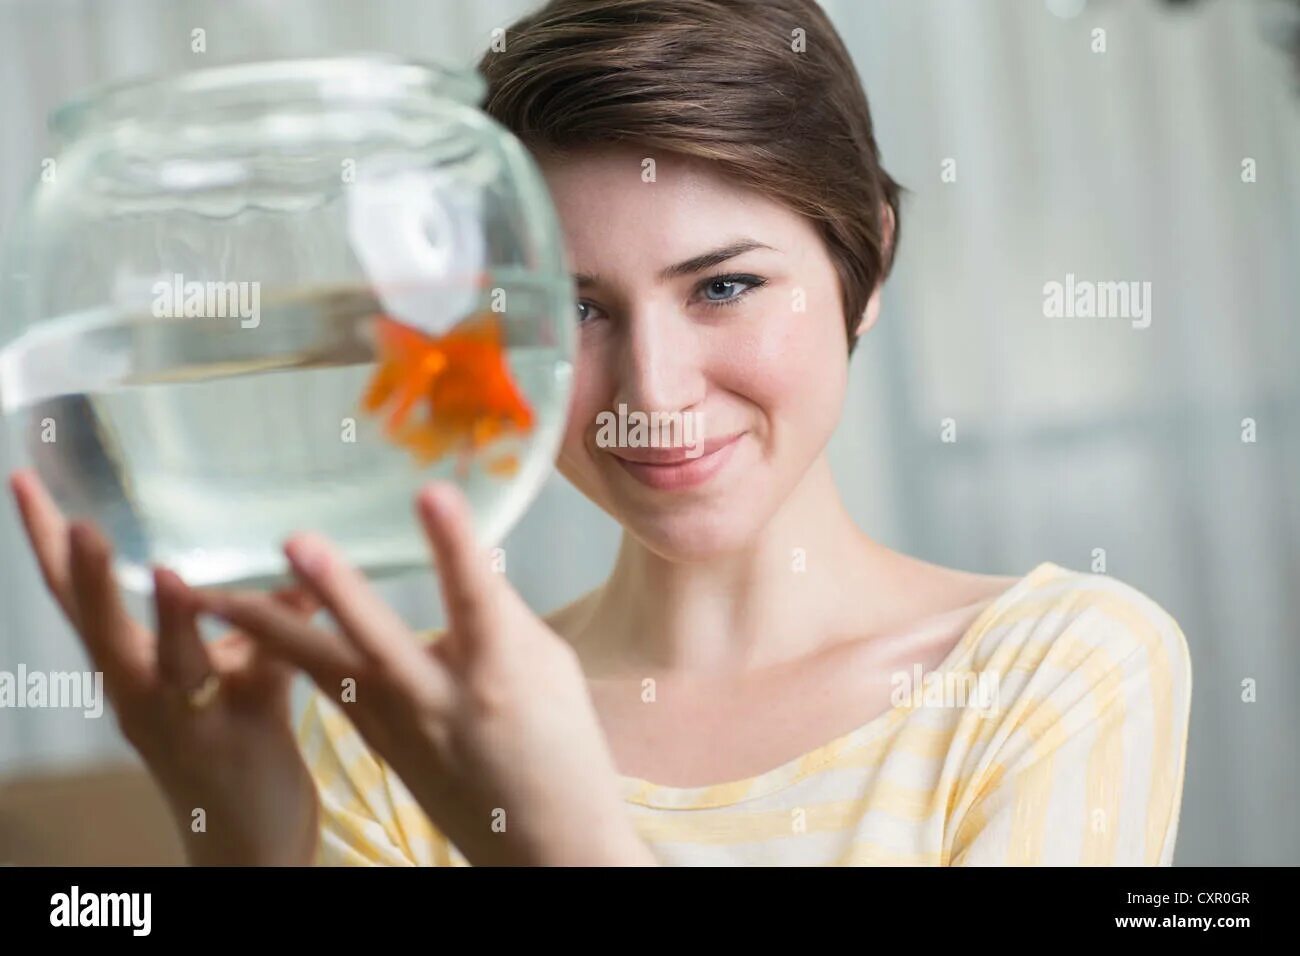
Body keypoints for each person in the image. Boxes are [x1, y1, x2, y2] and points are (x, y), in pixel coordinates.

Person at [7, 0, 1191, 866]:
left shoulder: (1060, 664)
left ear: (866, 257)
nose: (651, 391)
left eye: (722, 285)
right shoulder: (397, 723)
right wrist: (248, 836)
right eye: (574, 308)